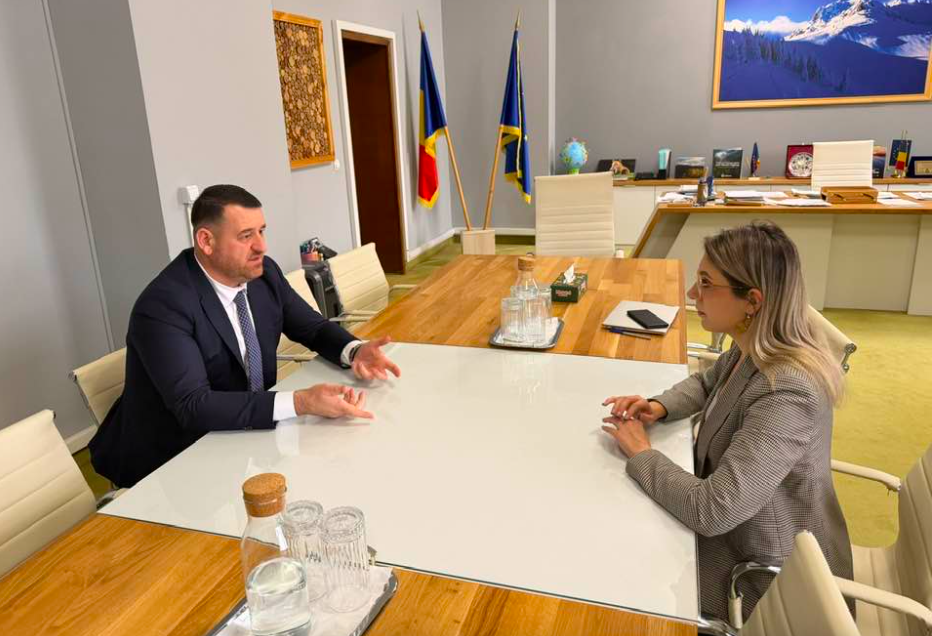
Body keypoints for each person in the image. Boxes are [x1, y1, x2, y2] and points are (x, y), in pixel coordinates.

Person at [600, 222, 853, 622]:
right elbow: (709, 382)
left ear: (752, 300)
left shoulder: (788, 391)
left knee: (613, 571)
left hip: (762, 572)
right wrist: (658, 406)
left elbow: (714, 510)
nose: (691, 294)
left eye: (705, 283)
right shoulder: (756, 343)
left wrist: (642, 454)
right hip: (737, 529)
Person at [89, 184, 400, 487]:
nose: (261, 246)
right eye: (246, 236)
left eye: (261, 231)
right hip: (174, 462)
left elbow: (313, 328)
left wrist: (354, 350)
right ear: (206, 241)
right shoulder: (163, 306)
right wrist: (301, 402)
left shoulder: (263, 274)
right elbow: (194, 406)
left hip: (247, 439)